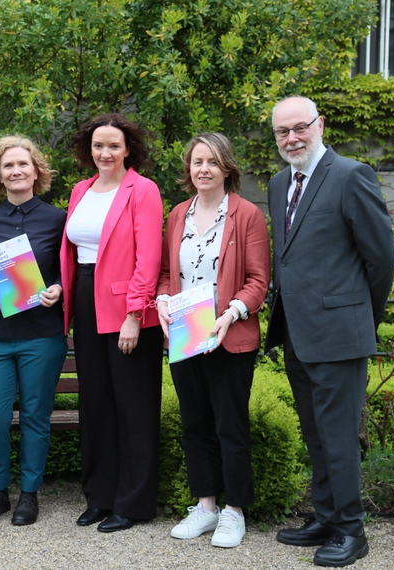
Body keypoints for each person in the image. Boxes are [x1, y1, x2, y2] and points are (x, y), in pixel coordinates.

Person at [265, 96, 394, 567]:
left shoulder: (351, 174)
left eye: (299, 127)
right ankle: (325, 517)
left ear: (320, 124)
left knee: (339, 435)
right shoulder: (280, 183)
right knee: (316, 433)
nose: (292, 138)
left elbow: (381, 259)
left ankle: (350, 531)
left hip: (340, 333)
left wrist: (361, 316)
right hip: (298, 334)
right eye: (282, 132)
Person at [155, 133, 270, 548]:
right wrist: (162, 300)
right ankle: (205, 507)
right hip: (186, 333)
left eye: (211, 162)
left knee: (230, 424)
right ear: (188, 168)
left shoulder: (247, 215)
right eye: (196, 161)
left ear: (226, 168)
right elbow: (168, 273)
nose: (203, 168)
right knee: (195, 424)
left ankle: (234, 512)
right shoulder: (177, 215)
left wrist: (230, 314)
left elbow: (259, 280)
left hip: (230, 334)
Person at [59, 113, 164, 533]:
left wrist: (135, 315)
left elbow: (148, 257)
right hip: (86, 301)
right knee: (96, 404)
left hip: (126, 309)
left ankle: (133, 502)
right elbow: (71, 252)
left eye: (113, 146)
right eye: (98, 146)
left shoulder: (143, 190)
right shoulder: (80, 190)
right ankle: (99, 497)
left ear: (127, 150)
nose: (105, 152)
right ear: (90, 150)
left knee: (133, 407)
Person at [0, 136, 68, 526]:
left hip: (42, 334)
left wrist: (58, 288)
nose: (16, 171)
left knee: (35, 416)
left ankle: (29, 494)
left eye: (23, 164)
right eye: (8, 166)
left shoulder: (58, 218)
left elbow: (67, 269)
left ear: (36, 171)